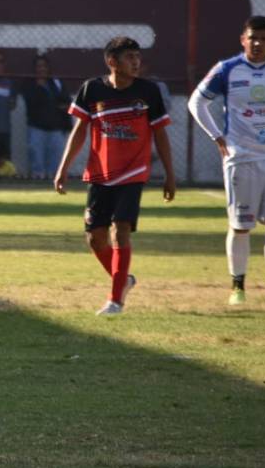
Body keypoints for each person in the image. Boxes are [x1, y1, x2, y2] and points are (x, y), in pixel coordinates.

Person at [54, 36, 176, 315]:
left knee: (120, 232)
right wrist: (63, 169)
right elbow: (80, 130)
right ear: (112, 62)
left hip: (133, 173)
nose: (136, 62)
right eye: (129, 57)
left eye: (137, 57)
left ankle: (115, 301)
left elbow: (160, 132)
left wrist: (170, 174)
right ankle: (125, 280)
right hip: (100, 174)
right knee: (95, 238)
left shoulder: (149, 91)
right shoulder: (92, 89)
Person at [187, 15, 265, 306]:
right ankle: (238, 286)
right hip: (242, 158)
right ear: (243, 39)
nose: (258, 43)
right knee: (241, 225)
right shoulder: (228, 69)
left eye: (264, 38)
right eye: (253, 37)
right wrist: (216, 136)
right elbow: (196, 102)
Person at [20, 54, 71, 179]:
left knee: (57, 158)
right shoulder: (29, 84)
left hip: (56, 127)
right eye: (38, 66)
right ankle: (38, 180)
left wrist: (57, 106)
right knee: (37, 158)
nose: (41, 69)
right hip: (36, 127)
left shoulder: (56, 83)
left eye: (44, 66)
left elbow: (66, 101)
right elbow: (31, 103)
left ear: (48, 68)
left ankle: (54, 180)